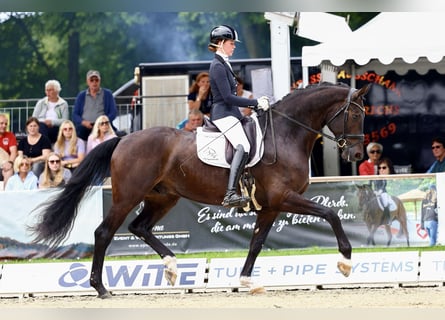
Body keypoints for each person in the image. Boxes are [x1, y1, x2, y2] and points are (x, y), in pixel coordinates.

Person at [207, 24, 270, 207]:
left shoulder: (224, 63)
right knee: (242, 146)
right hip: (223, 114)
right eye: (231, 43)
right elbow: (228, 97)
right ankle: (230, 193)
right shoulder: (217, 65)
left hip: (232, 114)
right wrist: (255, 102)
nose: (234, 47)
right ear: (220, 43)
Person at [72, 70, 118, 141]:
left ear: (100, 81)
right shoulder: (81, 96)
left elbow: (113, 112)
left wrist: (103, 122)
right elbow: (75, 115)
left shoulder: (107, 94)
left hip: (103, 125)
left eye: (96, 80)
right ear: (87, 82)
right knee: (78, 132)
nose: (94, 82)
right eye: (92, 80)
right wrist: (83, 122)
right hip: (85, 126)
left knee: (115, 136)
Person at [373, 157, 395, 222]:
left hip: (384, 192)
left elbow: (384, 185)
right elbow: (375, 186)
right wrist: (375, 191)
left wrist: (381, 191)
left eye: (384, 168)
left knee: (385, 203)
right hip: (377, 193)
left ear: (389, 169)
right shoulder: (376, 178)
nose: (381, 170)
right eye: (379, 168)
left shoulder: (394, 178)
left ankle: (388, 218)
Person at [0, 113, 18, 181]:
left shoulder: (10, 135)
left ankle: (6, 191)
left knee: (8, 170)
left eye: (6, 124)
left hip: (6, 162)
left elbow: (14, 152)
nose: (4, 126)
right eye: (1, 123)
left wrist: (10, 163)